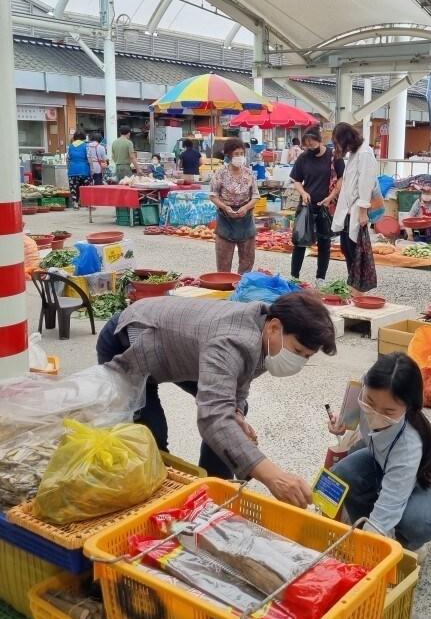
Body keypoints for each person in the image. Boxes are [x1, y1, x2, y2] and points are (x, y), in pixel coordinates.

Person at [97, 291, 337, 507]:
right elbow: (213, 417)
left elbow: (239, 380)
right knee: (151, 436)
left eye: (306, 356)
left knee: (232, 420)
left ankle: (213, 492)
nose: (298, 361)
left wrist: (237, 413)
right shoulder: (231, 341)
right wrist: (273, 475)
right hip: (129, 341)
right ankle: (158, 504)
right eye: (297, 351)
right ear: (274, 328)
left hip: (178, 352)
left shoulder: (267, 333)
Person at [329, 352, 431, 553]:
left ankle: (406, 544)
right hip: (379, 458)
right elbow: (348, 418)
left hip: (426, 472)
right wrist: (341, 424)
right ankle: (363, 526)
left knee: (417, 523)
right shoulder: (363, 387)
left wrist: (367, 549)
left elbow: (389, 505)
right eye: (369, 401)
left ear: (408, 407)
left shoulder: (409, 445)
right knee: (342, 475)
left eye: (388, 411)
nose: (374, 413)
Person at [290, 128, 344, 286]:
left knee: (324, 242)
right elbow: (296, 180)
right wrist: (303, 192)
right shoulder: (303, 157)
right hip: (307, 205)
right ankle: (294, 277)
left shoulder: (334, 156)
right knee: (300, 240)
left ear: (320, 141)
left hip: (326, 205)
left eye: (312, 144)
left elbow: (341, 178)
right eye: (306, 145)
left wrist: (331, 196)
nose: (309, 148)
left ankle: (320, 278)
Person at [330, 122, 378, 295]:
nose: (337, 146)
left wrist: (363, 210)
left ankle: (357, 292)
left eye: (338, 142)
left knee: (356, 252)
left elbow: (366, 183)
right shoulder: (354, 153)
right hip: (348, 210)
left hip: (357, 210)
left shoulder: (365, 152)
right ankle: (353, 288)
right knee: (347, 248)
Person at [209, 138, 259, 274]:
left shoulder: (249, 173)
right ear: (229, 155)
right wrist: (225, 207)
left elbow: (255, 195)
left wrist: (246, 207)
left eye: (241, 153)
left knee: (247, 260)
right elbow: (213, 195)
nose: (239, 157)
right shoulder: (220, 173)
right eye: (236, 154)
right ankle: (224, 288)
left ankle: (242, 287)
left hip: (246, 218)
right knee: (223, 261)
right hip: (225, 218)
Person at [66, 130, 91, 208]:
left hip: (73, 170)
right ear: (83, 137)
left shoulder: (70, 146)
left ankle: (75, 203)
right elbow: (89, 158)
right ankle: (86, 203)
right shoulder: (86, 146)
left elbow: (68, 159)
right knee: (85, 187)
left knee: (74, 187)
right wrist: (92, 168)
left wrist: (68, 168)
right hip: (84, 169)